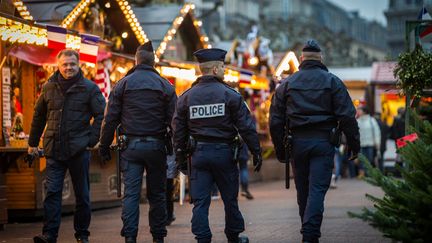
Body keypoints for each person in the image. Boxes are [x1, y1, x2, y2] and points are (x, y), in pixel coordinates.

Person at [269, 39, 360, 243]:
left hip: (297, 143)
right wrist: (354, 146)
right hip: (323, 142)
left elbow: (275, 120)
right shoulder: (332, 82)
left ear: (301, 59)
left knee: (303, 190)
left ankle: (307, 230)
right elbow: (347, 116)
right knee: (317, 189)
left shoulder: (287, 84)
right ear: (321, 58)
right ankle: (310, 234)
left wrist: (280, 150)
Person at [172, 48, 262, 243]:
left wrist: (180, 159)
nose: (224, 71)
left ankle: (202, 237)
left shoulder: (186, 97)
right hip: (225, 154)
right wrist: (256, 151)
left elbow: (178, 131)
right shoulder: (231, 95)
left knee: (200, 201)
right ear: (214, 69)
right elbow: (246, 127)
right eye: (222, 67)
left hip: (198, 155)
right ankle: (233, 235)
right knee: (230, 199)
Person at [99, 41, 177, 243]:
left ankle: (130, 237)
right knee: (157, 194)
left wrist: (104, 145)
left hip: (130, 148)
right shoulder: (165, 86)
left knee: (131, 195)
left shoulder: (123, 84)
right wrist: (180, 150)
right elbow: (175, 122)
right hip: (156, 147)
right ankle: (158, 236)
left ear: (136, 60)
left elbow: (110, 120)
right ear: (154, 62)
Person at [28, 49, 106, 243]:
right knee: (52, 192)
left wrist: (91, 139)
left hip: (79, 149)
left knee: (82, 195)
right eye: (65, 64)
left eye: (72, 64)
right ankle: (49, 235)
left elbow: (101, 115)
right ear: (58, 65)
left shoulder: (89, 88)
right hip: (53, 148)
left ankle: (82, 234)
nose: (68, 67)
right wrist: (32, 142)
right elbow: (38, 117)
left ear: (78, 64)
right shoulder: (48, 87)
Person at [356, 106, 381, 178]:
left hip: (370, 144)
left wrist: (377, 143)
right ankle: (362, 174)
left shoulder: (371, 120)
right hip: (361, 144)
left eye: (359, 110)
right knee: (361, 159)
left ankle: (369, 173)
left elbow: (377, 132)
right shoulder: (358, 121)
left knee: (370, 159)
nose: (358, 112)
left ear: (364, 111)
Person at [165, 154, 177, 226]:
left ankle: (168, 215)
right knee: (168, 193)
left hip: (159, 167)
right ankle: (168, 215)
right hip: (169, 166)